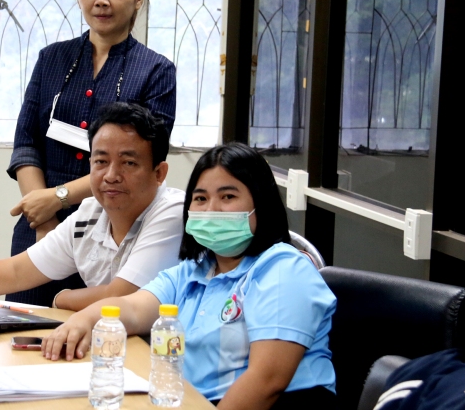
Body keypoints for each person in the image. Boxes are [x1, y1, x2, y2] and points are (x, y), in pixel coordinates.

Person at [41, 143, 338, 410]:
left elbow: (267, 381)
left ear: (261, 204)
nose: (212, 209)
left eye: (228, 196)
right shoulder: (194, 271)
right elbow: (130, 308)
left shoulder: (283, 269)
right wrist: (83, 321)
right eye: (200, 198)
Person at [6, 0, 177, 306]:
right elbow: (26, 143)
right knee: (20, 325)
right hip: (38, 223)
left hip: (114, 226)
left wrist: (58, 198)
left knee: (101, 328)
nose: (101, 0)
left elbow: (145, 158)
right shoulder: (51, 58)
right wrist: (42, 214)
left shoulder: (156, 71)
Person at [0, 103, 184, 311]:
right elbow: (16, 271)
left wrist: (62, 298)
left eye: (129, 163)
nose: (111, 176)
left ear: (159, 173)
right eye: (101, 162)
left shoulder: (173, 212)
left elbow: (120, 297)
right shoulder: (89, 214)